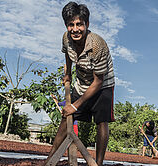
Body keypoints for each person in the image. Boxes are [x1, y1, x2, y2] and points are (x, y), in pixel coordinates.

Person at [44, 2, 115, 166]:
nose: (75, 29)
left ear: (87, 24)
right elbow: (68, 56)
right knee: (66, 117)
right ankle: (50, 159)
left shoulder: (98, 45)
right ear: (66, 25)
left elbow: (98, 82)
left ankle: (99, 163)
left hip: (103, 83)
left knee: (101, 121)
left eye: (79, 24)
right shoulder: (66, 38)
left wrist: (75, 105)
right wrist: (68, 73)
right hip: (82, 81)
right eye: (71, 25)